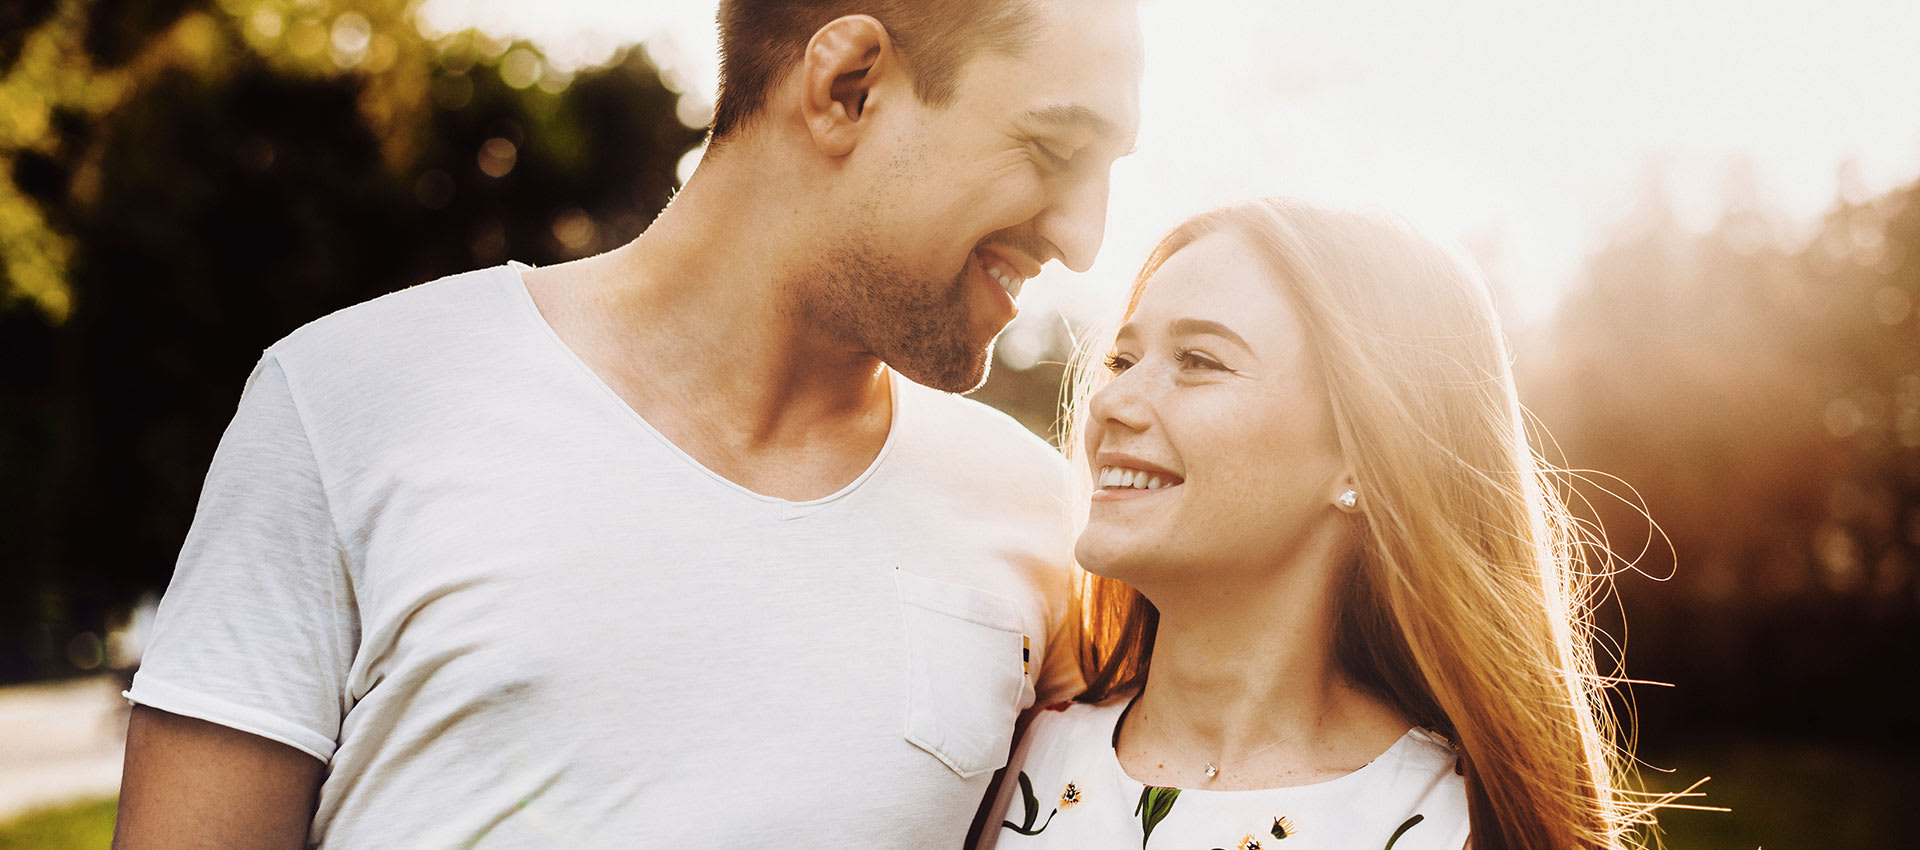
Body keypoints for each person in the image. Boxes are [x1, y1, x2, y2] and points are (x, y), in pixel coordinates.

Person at [113, 0, 1142, 846]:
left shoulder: (1041, 522)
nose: (1085, 239)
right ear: (848, 87)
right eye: (1054, 148)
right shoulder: (349, 399)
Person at [980, 199, 1648, 849]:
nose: (1113, 401)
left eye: (1200, 362)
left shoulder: (1456, 826)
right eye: (1123, 361)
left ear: (1361, 458)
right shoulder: (1001, 760)